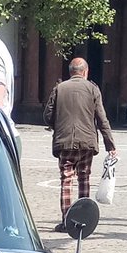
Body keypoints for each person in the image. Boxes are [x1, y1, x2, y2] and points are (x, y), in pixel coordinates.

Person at [44, 57, 116, 231]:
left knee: (66, 180)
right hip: (86, 142)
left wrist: (57, 125)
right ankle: (83, 222)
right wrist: (110, 145)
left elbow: (47, 115)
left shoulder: (59, 88)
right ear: (85, 71)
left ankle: (66, 222)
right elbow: (102, 118)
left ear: (70, 72)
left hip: (65, 141)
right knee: (84, 179)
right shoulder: (93, 89)